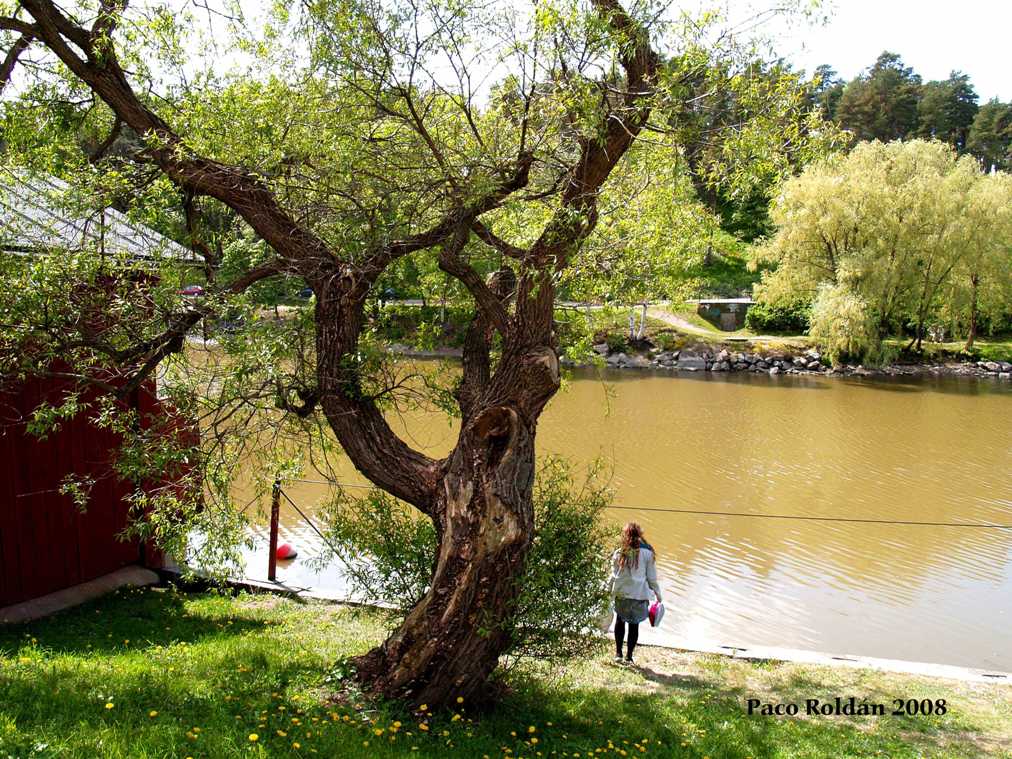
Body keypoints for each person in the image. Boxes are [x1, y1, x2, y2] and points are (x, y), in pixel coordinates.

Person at [609, 522, 662, 665]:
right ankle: (629, 657)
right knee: (634, 625)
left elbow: (613, 576)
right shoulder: (648, 553)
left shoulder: (619, 552)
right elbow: (652, 578)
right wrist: (658, 594)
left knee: (620, 621)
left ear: (625, 535)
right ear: (640, 535)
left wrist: (608, 592)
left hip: (622, 593)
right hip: (639, 594)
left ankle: (618, 653)